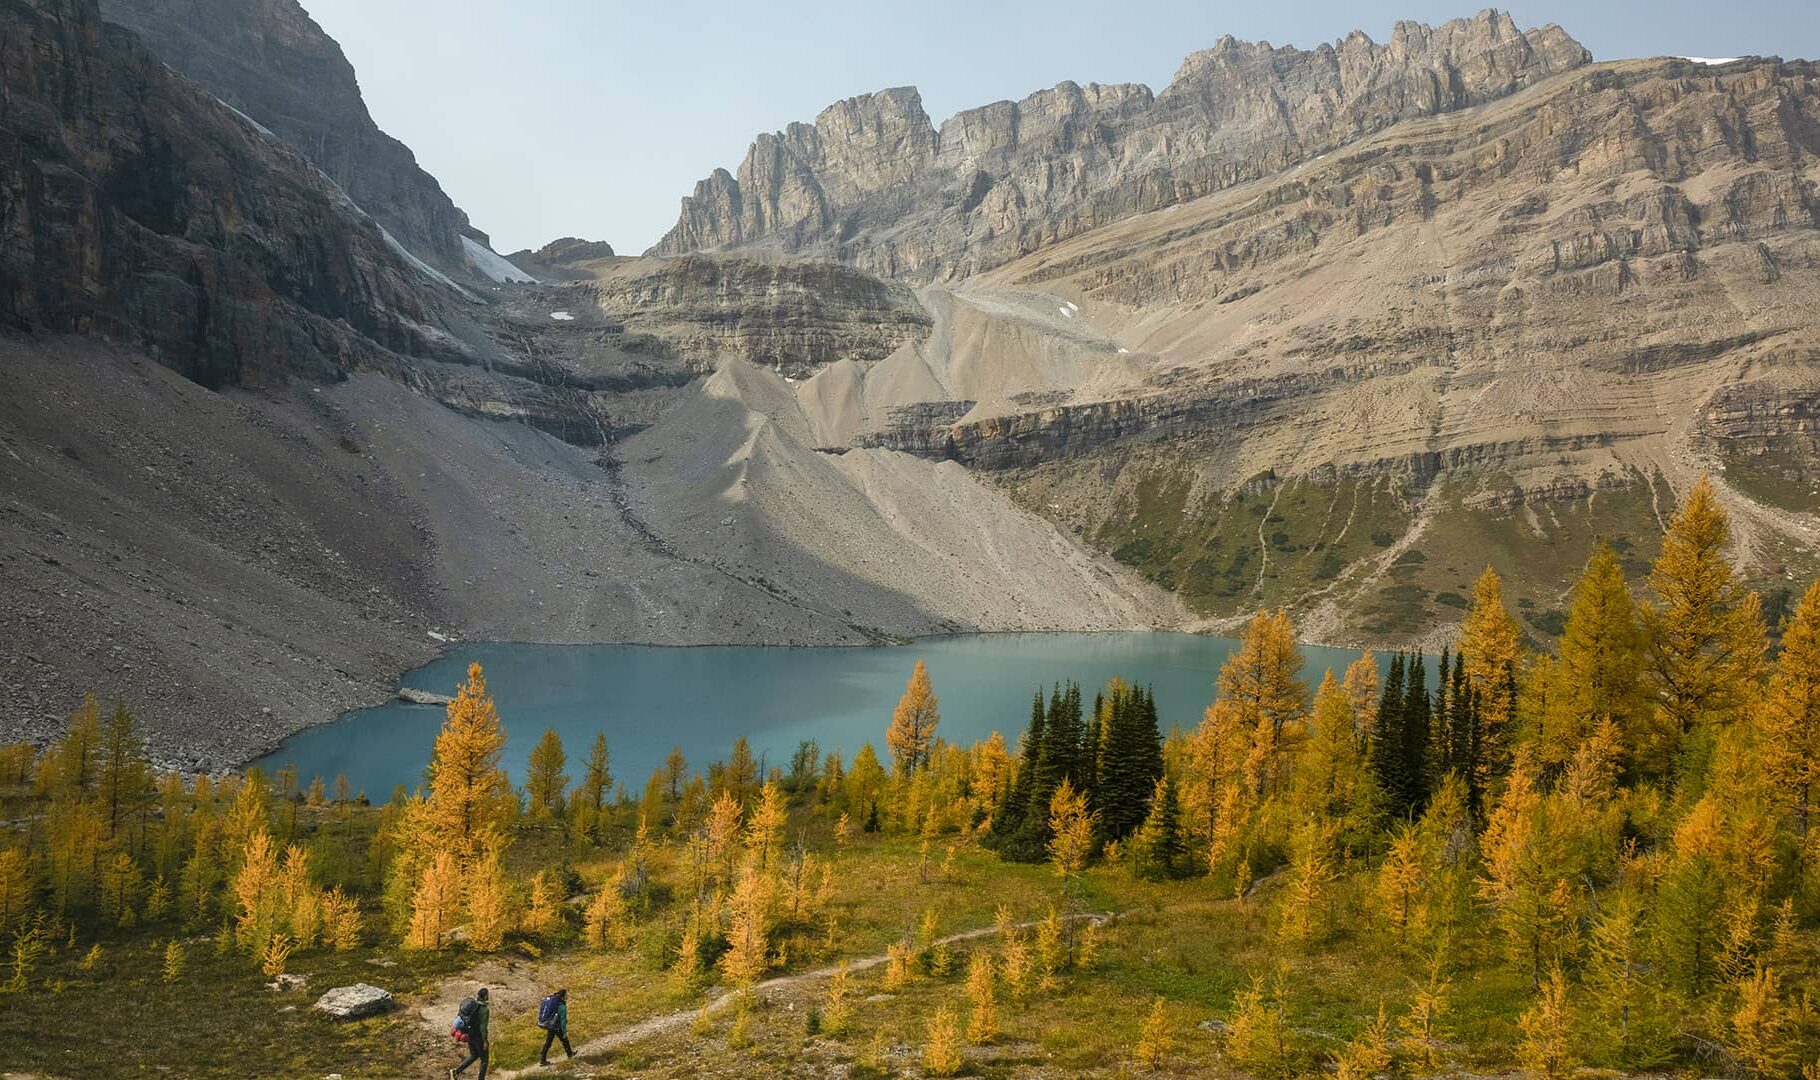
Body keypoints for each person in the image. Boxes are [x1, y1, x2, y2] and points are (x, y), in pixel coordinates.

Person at [452, 986, 490, 1078]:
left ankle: (455, 1072)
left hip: (469, 1035)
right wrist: (485, 1041)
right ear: (485, 996)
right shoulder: (484, 1010)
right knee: (484, 1060)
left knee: (474, 1055)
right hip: (478, 1037)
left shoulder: (472, 1005)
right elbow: (483, 1027)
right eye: (487, 995)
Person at [538, 987, 576, 1065]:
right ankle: (570, 1054)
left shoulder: (553, 1001)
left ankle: (542, 1059)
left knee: (549, 1041)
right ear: (563, 996)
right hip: (555, 1026)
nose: (567, 996)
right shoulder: (562, 1006)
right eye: (566, 995)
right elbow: (563, 1020)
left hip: (549, 1024)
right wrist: (564, 1031)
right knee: (564, 1039)